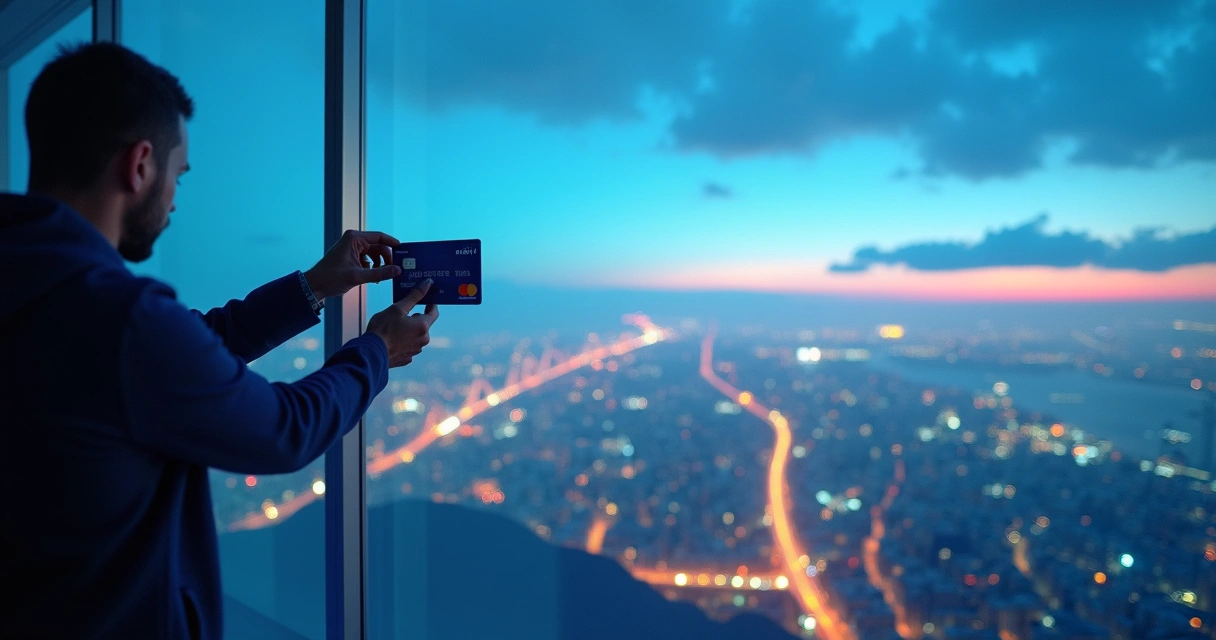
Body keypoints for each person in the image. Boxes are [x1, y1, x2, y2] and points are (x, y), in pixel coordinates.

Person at [0, 42, 437, 639]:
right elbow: (284, 430)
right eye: (178, 176)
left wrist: (312, 286)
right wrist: (376, 352)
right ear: (139, 165)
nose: (176, 198)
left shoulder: (32, 283)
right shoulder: (118, 316)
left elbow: (186, 351)